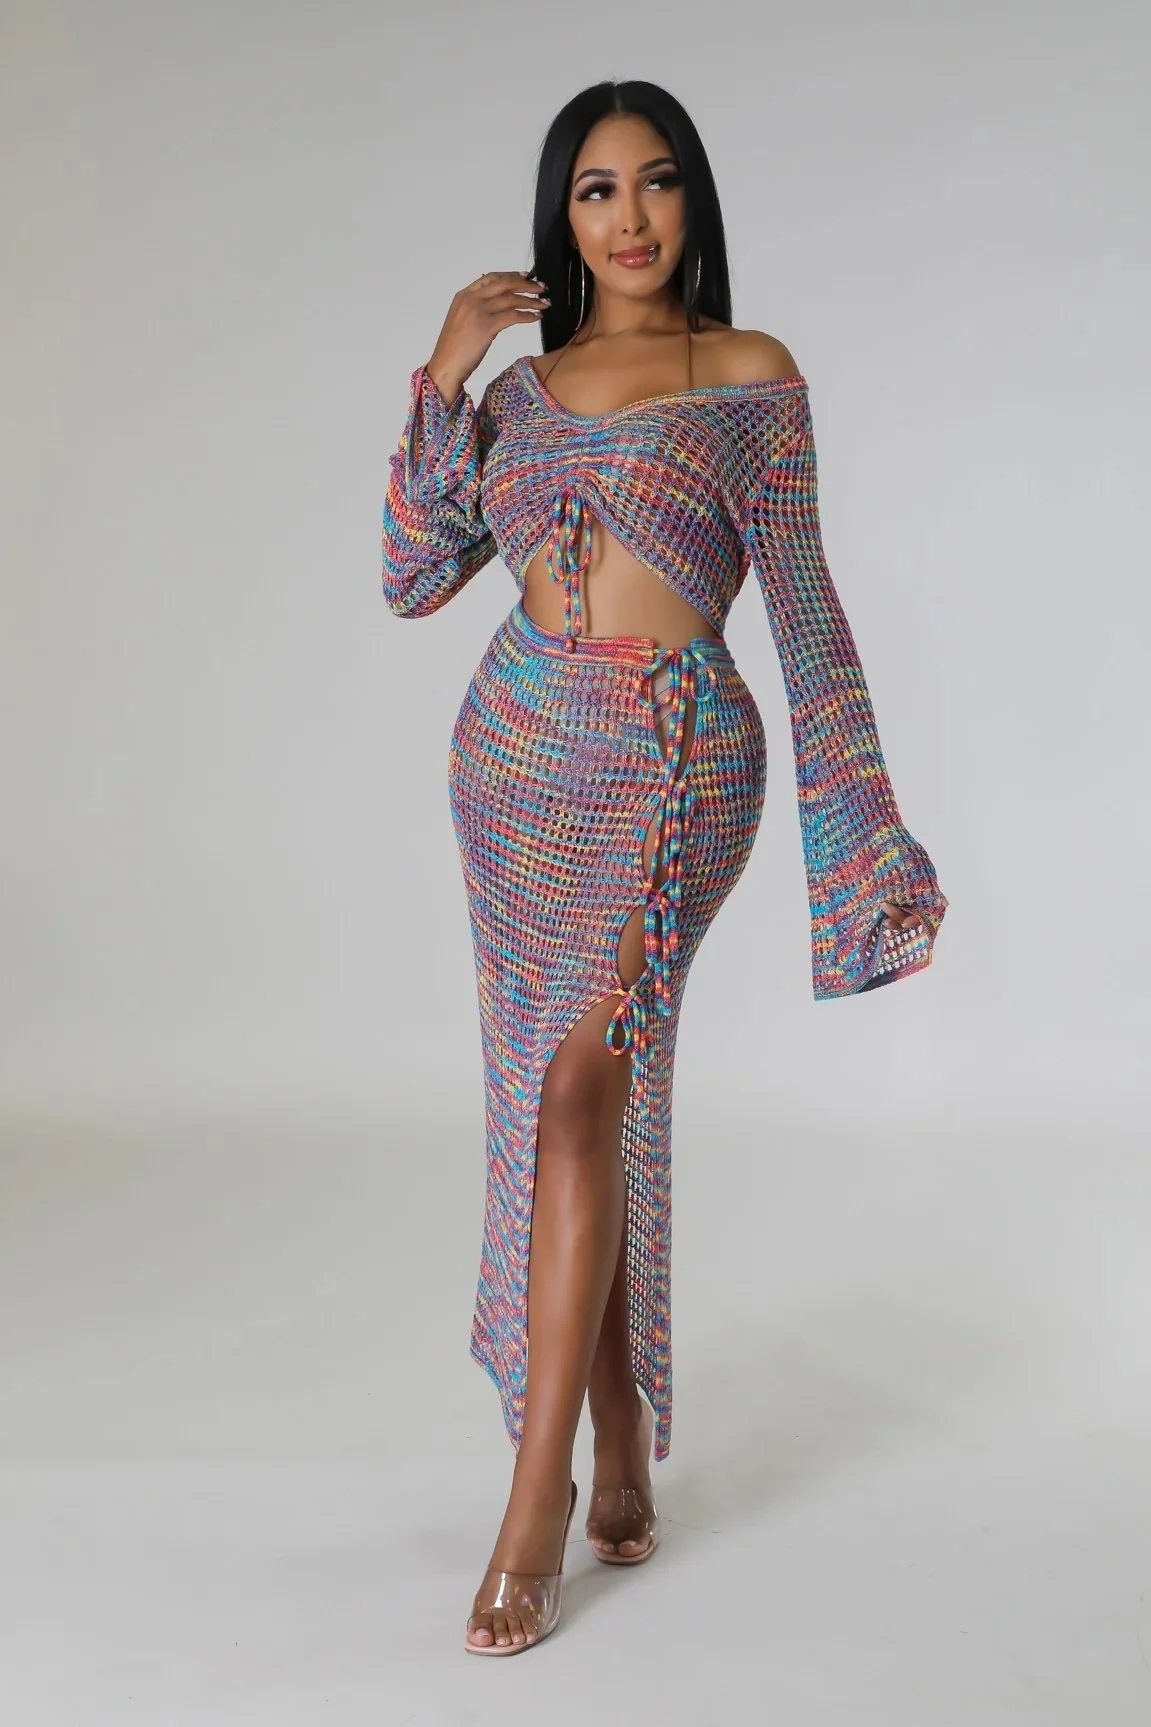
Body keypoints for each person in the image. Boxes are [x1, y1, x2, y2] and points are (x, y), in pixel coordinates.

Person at [381, 78, 949, 1657]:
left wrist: (862, 831)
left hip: (677, 764)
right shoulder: (519, 394)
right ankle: (618, 1421)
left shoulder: (746, 375)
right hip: (513, 766)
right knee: (566, 1102)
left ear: (692, 199)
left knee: (579, 1089)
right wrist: (444, 367)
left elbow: (808, 611)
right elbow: (412, 572)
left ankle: (534, 1499)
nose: (627, 218)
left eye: (654, 183)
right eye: (594, 190)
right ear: (560, 219)